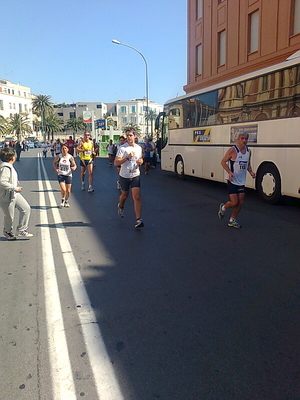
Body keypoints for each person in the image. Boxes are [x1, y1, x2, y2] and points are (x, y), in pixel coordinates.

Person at [218, 132, 256, 228]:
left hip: (241, 181)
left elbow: (248, 164)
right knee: (234, 202)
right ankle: (223, 207)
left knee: (241, 202)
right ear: (238, 140)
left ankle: (232, 219)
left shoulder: (248, 151)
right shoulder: (232, 150)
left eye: (246, 139)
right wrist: (229, 172)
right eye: (242, 138)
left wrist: (251, 172)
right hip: (232, 180)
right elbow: (223, 162)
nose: (244, 140)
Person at [0, 147, 33, 240]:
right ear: (12, 157)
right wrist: (15, 188)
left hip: (13, 194)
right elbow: (2, 182)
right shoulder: (5, 167)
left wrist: (15, 181)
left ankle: (22, 230)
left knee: (26, 208)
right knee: (10, 216)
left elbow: (8, 178)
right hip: (6, 196)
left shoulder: (8, 166)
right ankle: (7, 231)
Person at [114, 128, 144, 228]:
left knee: (137, 196)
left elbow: (139, 159)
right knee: (125, 196)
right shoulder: (122, 148)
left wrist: (141, 161)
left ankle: (138, 219)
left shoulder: (139, 148)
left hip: (135, 174)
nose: (129, 137)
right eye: (127, 135)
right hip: (124, 176)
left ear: (134, 136)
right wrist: (127, 157)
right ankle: (121, 205)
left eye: (130, 135)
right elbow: (116, 162)